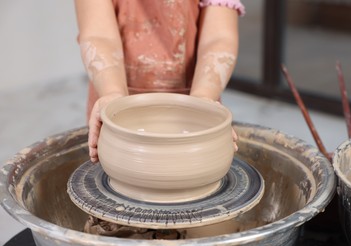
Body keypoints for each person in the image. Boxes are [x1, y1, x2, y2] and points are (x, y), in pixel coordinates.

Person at [74, 0, 245, 162]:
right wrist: (112, 95)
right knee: (115, 162)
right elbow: (100, 35)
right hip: (111, 93)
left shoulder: (200, 102)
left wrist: (203, 100)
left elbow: (218, 39)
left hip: (196, 100)